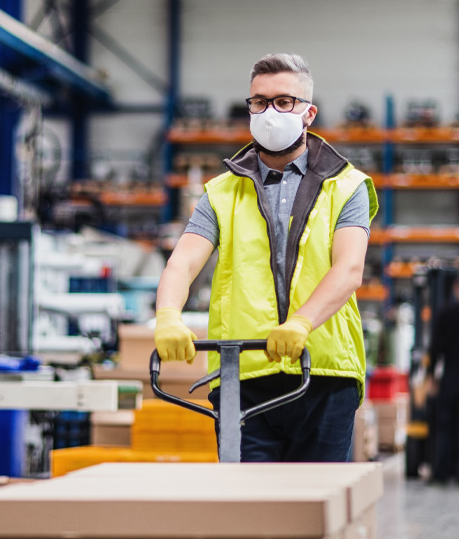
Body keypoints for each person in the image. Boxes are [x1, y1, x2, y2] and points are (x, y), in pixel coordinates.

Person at [154, 53, 379, 462]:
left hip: (324, 374)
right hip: (243, 375)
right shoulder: (221, 192)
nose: (270, 112)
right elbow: (182, 263)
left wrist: (301, 322)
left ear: (308, 113)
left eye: (284, 101)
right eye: (259, 102)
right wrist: (167, 314)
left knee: (314, 515)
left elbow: (349, 270)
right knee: (251, 517)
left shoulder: (348, 186)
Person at [427, 274, 459, 483]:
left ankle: (441, 472)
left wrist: (431, 377)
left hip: (451, 378)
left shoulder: (445, 313)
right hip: (451, 376)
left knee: (444, 426)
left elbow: (435, 348)